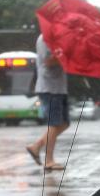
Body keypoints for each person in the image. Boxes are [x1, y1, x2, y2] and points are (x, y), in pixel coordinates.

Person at [26, 34, 69, 171]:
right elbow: (48, 61)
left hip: (60, 87)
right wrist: (64, 56)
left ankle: (36, 146)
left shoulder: (60, 38)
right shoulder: (45, 38)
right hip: (49, 88)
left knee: (64, 123)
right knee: (54, 124)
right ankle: (49, 160)